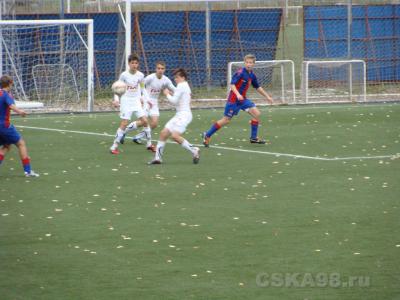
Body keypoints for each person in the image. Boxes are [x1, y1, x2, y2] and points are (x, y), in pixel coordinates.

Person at [202, 54, 273, 147]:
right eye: (247, 62)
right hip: (233, 100)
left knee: (256, 113)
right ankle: (207, 134)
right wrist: (238, 94)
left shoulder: (252, 75)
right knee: (226, 120)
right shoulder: (240, 72)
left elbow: (258, 87)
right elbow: (232, 84)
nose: (248, 64)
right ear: (244, 63)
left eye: (250, 63)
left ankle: (253, 138)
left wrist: (267, 96)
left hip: (243, 100)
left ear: (253, 64)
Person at [148, 68, 199, 165]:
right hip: (180, 114)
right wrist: (171, 93)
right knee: (163, 133)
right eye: (175, 77)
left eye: (177, 77)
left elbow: (174, 101)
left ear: (183, 77)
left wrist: (167, 94)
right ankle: (157, 158)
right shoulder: (184, 85)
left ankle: (194, 150)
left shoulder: (181, 85)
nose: (175, 79)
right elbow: (179, 97)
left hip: (184, 115)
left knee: (175, 136)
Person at [110, 53, 154, 154]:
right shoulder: (124, 75)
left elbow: (143, 88)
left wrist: (148, 100)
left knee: (144, 121)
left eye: (136, 63)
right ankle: (114, 146)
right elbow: (117, 87)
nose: (134, 65)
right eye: (132, 63)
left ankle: (149, 144)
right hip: (126, 101)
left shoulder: (141, 75)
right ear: (129, 63)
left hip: (136, 101)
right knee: (124, 123)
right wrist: (116, 99)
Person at [0, 75, 39, 177]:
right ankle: (28, 171)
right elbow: (11, 106)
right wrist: (20, 112)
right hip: (4, 126)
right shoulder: (6, 95)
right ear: (10, 83)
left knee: (6, 146)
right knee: (21, 143)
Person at [131, 61, 176, 144]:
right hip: (146, 100)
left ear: (164, 70)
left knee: (154, 123)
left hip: (154, 102)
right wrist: (140, 97)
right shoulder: (150, 78)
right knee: (143, 121)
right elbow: (140, 85)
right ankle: (124, 130)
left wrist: (183, 93)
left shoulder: (166, 80)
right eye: (158, 68)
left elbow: (174, 89)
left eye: (162, 69)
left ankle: (137, 137)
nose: (160, 70)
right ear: (156, 69)